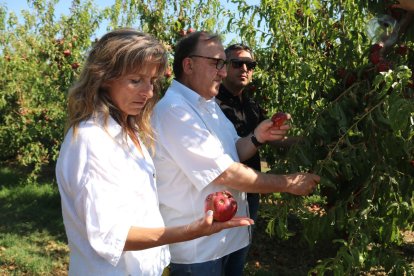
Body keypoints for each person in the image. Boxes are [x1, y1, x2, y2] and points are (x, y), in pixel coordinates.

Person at [55, 28, 253, 276]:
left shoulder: (129, 131)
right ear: (104, 77)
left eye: (152, 81)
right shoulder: (92, 140)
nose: (148, 93)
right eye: (135, 80)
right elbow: (111, 235)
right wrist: (190, 231)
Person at [151, 31, 320, 276]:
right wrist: (288, 183)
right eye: (216, 63)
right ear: (188, 64)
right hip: (199, 251)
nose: (222, 71)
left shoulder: (208, 106)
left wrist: (256, 137)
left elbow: (235, 151)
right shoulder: (175, 112)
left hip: (231, 238)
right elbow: (227, 173)